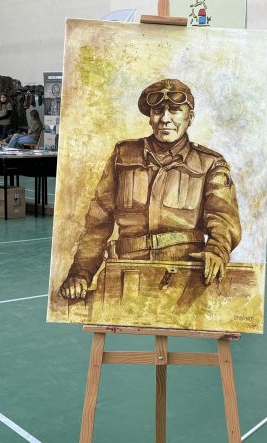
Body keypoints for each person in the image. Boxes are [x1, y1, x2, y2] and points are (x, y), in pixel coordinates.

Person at [59, 78, 242, 300]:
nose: (165, 119)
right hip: (126, 273)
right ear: (150, 118)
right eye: (158, 111)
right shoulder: (123, 155)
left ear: (190, 117)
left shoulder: (210, 163)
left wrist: (217, 249)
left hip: (187, 278)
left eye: (175, 110)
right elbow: (98, 221)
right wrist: (81, 273)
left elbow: (223, 219)